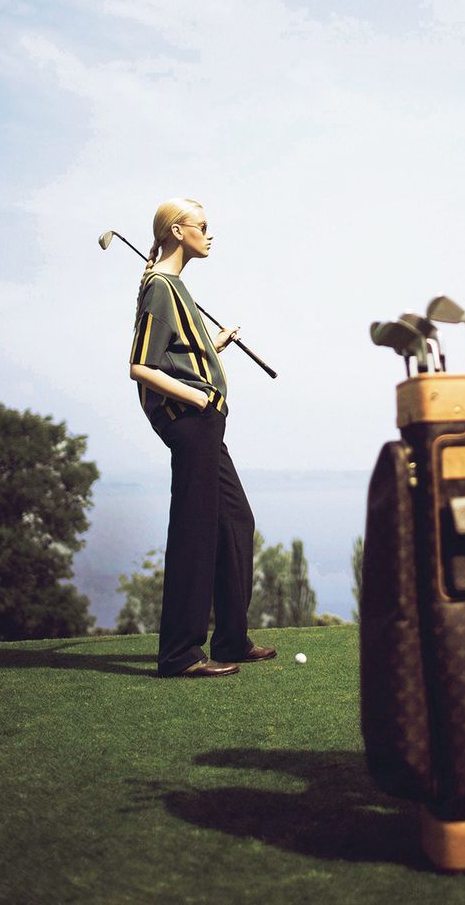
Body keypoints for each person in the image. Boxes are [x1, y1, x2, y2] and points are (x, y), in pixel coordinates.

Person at [129, 197, 276, 677]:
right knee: (194, 532)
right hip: (192, 420)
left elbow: (177, 355)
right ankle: (179, 654)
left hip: (207, 420)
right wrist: (196, 399)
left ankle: (231, 639)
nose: (210, 234)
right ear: (176, 231)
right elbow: (141, 365)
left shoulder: (175, 288)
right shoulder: (159, 287)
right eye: (203, 226)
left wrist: (212, 348)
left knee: (235, 521)